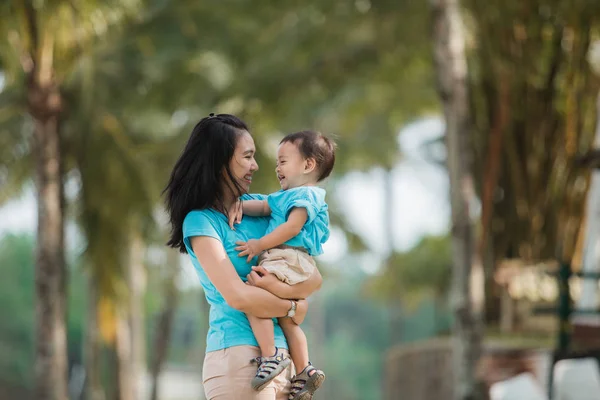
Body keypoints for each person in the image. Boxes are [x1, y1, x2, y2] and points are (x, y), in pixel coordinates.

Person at [163, 114, 323, 400]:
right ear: (220, 161)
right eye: (247, 156)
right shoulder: (201, 222)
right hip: (239, 357)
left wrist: (289, 301)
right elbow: (239, 297)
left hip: (285, 363)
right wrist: (290, 307)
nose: (256, 166)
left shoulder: (263, 210)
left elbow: (312, 279)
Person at [229, 131, 335, 400]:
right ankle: (306, 370)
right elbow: (263, 206)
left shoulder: (308, 196)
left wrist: (258, 245)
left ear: (308, 165)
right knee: (288, 322)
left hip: (289, 256)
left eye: (283, 161)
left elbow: (292, 227)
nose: (277, 168)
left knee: (255, 300)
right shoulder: (285, 196)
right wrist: (235, 203)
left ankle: (271, 355)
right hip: (287, 260)